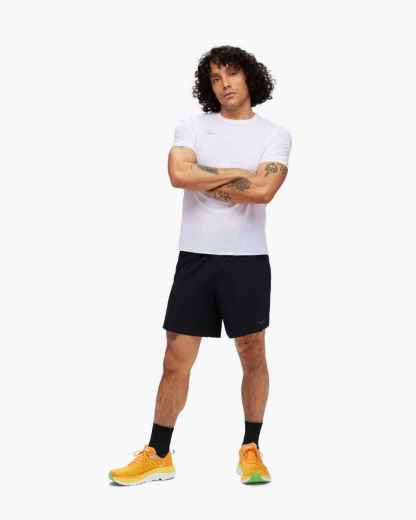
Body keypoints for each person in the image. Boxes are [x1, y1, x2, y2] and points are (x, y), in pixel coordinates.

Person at [108, 45, 292, 486]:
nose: (224, 84)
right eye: (215, 77)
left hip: (247, 260)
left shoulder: (275, 134)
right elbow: (178, 175)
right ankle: (159, 453)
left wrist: (205, 173)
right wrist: (237, 174)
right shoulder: (192, 125)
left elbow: (264, 191)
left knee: (252, 353)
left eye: (232, 73)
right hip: (196, 258)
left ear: (250, 77)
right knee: (175, 359)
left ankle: (251, 448)